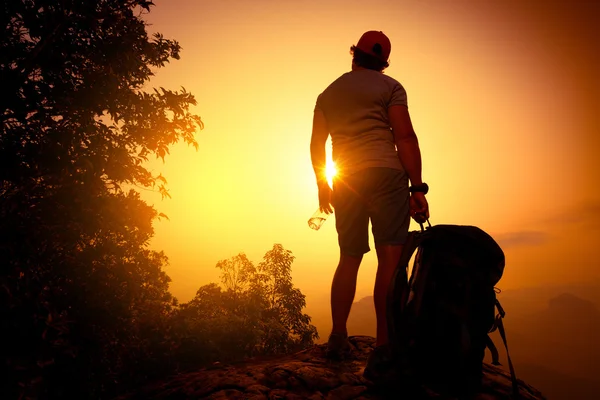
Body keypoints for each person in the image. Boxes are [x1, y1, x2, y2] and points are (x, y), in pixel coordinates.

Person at [310, 30, 429, 379]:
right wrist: (417, 187)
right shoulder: (392, 87)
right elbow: (404, 136)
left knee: (349, 256)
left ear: (354, 55)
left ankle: (337, 336)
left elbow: (317, 145)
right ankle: (384, 347)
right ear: (383, 63)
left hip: (347, 181)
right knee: (390, 259)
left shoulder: (327, 94)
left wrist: (322, 184)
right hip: (387, 175)